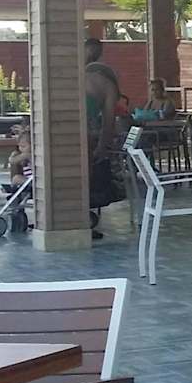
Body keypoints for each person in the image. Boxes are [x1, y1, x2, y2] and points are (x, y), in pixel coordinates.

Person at [85, 38, 122, 239]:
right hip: (84, 134)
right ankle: (82, 221)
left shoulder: (74, 75)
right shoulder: (108, 86)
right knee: (86, 176)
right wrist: (102, 147)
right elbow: (109, 123)